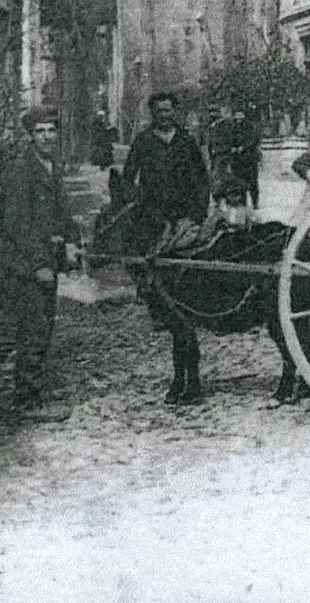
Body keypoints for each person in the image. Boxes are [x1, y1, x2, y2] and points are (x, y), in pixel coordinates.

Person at [119, 92, 212, 403]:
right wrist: (135, 202)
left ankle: (192, 308)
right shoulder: (144, 142)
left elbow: (202, 179)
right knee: (152, 273)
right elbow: (128, 177)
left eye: (169, 111)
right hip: (154, 219)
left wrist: (196, 214)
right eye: (159, 111)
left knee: (185, 278)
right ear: (153, 114)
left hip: (184, 219)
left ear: (176, 112)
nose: (164, 116)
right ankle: (159, 305)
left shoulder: (186, 141)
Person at [0, 105, 77, 422]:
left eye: (51, 130)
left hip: (46, 261)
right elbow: (16, 225)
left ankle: (32, 392)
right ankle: (26, 401)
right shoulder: (21, 170)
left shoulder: (51, 166)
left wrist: (70, 240)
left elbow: (62, 212)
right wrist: (37, 265)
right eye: (40, 131)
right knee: (32, 330)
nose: (46, 136)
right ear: (30, 136)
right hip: (26, 265)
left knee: (43, 327)